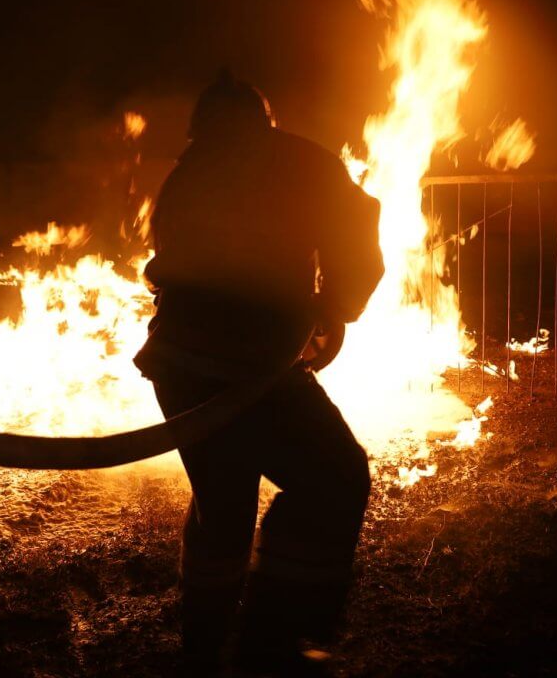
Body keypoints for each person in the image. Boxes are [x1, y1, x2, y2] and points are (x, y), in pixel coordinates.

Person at [134, 71, 385, 674]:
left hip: (180, 369)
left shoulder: (186, 175)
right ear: (263, 121)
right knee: (336, 477)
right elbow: (356, 238)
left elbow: (168, 261)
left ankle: (203, 643)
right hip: (254, 368)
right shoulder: (300, 159)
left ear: (201, 130)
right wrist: (335, 309)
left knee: (222, 502)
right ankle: (278, 641)